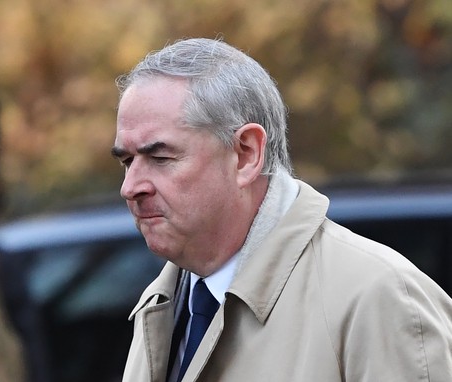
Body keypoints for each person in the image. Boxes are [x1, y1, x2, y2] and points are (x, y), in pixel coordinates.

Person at [111, 37, 452, 382]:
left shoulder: (380, 297)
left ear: (246, 154)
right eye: (127, 160)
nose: (131, 187)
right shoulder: (161, 303)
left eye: (160, 157)